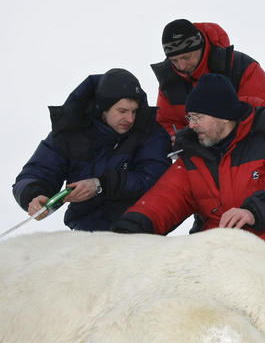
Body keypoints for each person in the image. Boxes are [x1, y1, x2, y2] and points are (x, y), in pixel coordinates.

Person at [112, 74, 265, 286]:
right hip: (217, 256)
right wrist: (127, 230)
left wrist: (255, 210)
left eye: (197, 117)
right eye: (189, 117)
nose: (191, 125)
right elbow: (162, 200)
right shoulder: (192, 158)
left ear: (222, 116)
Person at [13, 69, 171, 231]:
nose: (130, 119)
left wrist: (100, 185)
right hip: (86, 231)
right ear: (103, 108)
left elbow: (153, 178)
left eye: (134, 111)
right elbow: (37, 171)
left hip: (138, 229)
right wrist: (35, 196)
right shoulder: (70, 130)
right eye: (122, 111)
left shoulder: (151, 132)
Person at [151, 19, 265, 138]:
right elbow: (165, 123)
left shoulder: (241, 68)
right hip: (197, 156)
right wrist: (181, 138)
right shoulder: (169, 81)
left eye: (186, 57)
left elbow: (264, 116)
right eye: (174, 60)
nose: (181, 66)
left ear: (200, 47)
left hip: (244, 151)